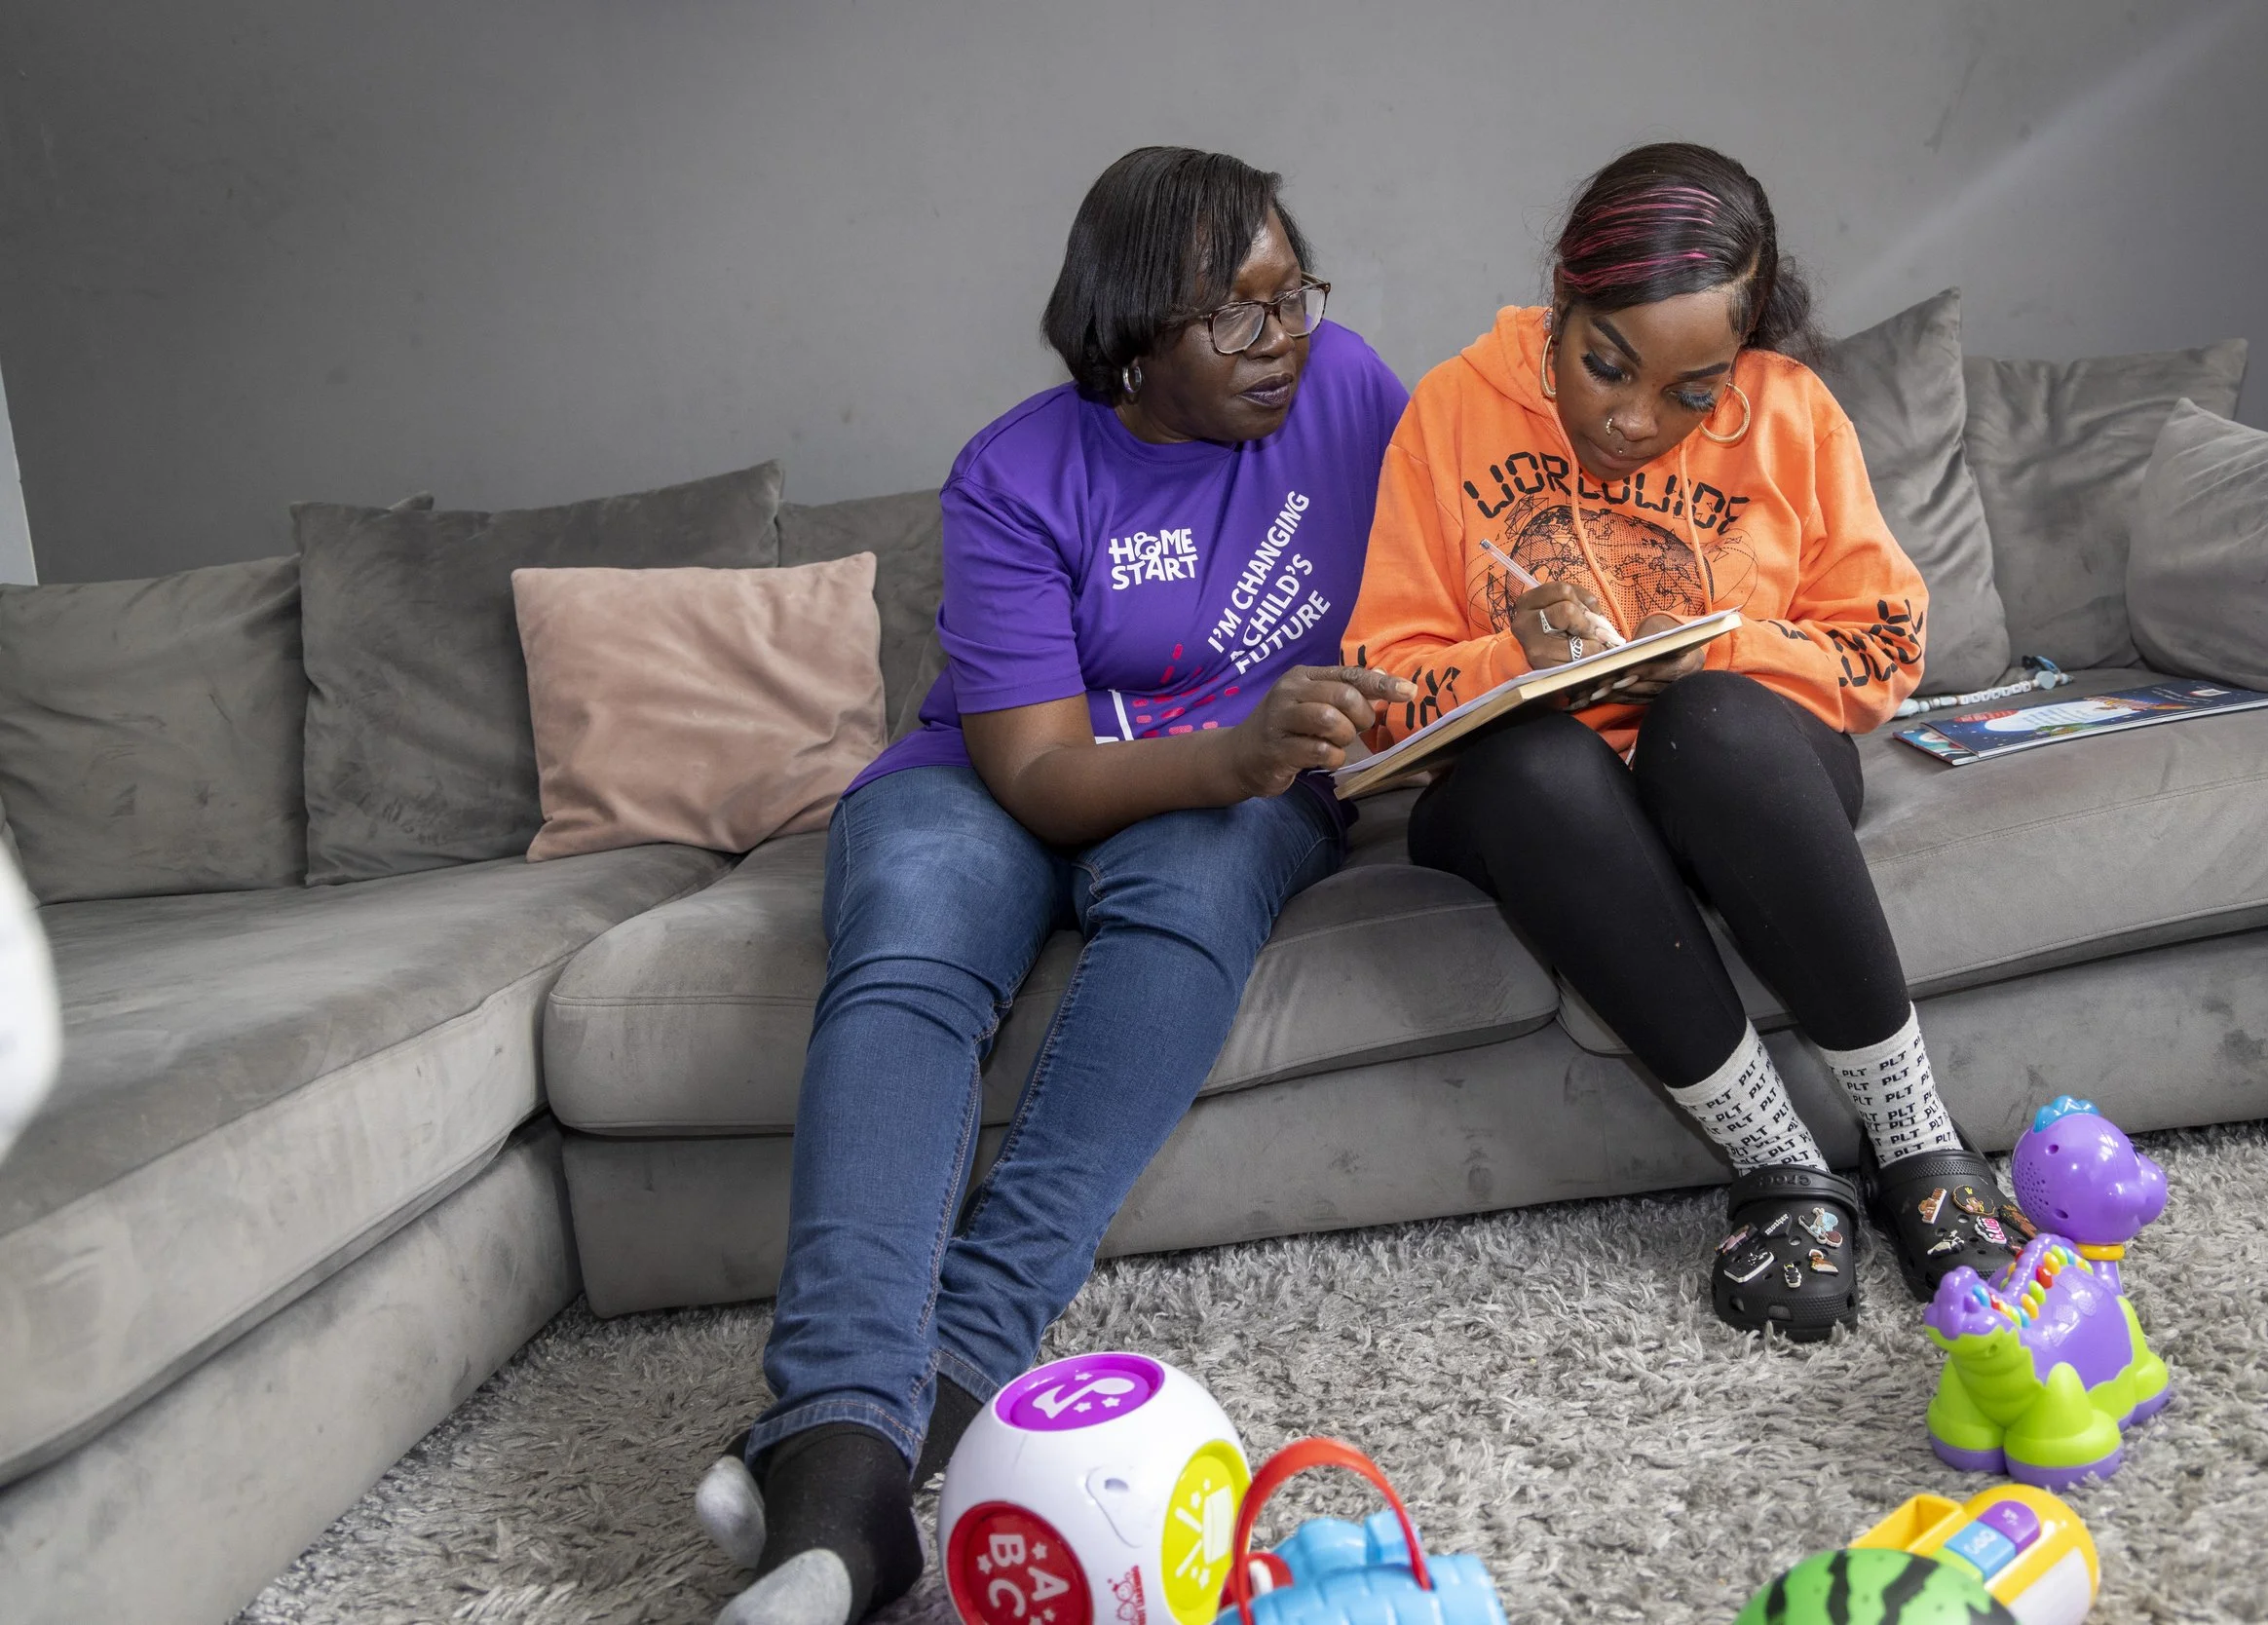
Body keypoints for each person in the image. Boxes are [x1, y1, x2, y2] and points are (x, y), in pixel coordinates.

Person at [709, 148, 1413, 1625]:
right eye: (1235, 315)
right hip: (993, 776)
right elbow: (1030, 771)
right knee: (911, 946)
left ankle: (911, 1414)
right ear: (1130, 337)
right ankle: (838, 1459)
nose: (1282, 338)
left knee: (1200, 882)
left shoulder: (1352, 391)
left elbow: (1441, 583)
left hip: (1235, 789)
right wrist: (1229, 753)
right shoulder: (1017, 473)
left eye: (1293, 297)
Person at [1342, 142, 2026, 1343]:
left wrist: (1719, 648)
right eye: (1605, 364)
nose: (1631, 417)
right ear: (1562, 299)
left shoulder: (1793, 414)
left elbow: (1879, 651)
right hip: (1529, 800)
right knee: (1539, 768)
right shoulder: (1450, 409)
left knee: (1704, 726)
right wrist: (1516, 660)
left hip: (1739, 766)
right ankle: (1782, 1171)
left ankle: (1918, 1143)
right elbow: (1385, 687)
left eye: (1690, 393)